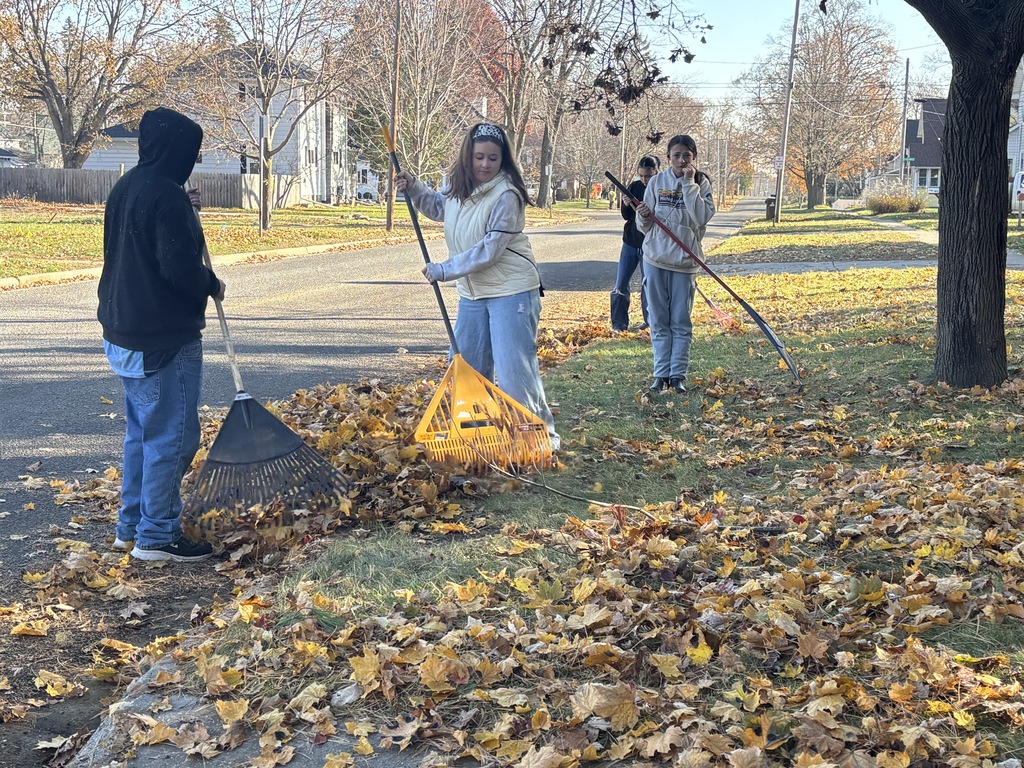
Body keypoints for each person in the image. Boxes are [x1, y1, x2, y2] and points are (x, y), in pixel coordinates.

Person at [98, 107, 225, 562]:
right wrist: (213, 285)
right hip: (162, 338)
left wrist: (180, 209)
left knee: (141, 433)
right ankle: (157, 536)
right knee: (173, 435)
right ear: (177, 151)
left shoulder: (128, 186)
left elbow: (142, 237)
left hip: (123, 332)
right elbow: (181, 271)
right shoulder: (167, 197)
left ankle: (129, 525)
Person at [394, 122, 559, 450]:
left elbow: (491, 249)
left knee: (515, 375)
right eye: (479, 157)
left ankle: (537, 442)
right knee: (468, 369)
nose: (485, 164)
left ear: (503, 161)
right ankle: (479, 435)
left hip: (511, 292)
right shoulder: (459, 189)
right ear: (466, 158)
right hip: (473, 293)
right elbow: (441, 208)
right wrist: (414, 188)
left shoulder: (507, 195)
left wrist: (445, 269)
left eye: (493, 159)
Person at [635, 134, 715, 395]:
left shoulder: (701, 184)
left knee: (680, 320)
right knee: (658, 320)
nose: (681, 160)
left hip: (685, 262)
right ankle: (660, 374)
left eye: (687, 156)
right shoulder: (656, 182)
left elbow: (701, 217)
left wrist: (689, 184)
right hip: (655, 259)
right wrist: (643, 216)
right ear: (668, 157)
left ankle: (677, 375)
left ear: (694, 158)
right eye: (676, 155)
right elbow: (644, 227)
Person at [611, 155, 659, 331]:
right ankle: (619, 324)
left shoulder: (661, 189)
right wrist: (625, 204)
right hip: (630, 243)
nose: (645, 180)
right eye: (642, 176)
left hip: (651, 245)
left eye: (649, 175)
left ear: (657, 172)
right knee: (621, 283)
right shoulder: (634, 187)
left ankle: (650, 322)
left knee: (648, 285)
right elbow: (626, 216)